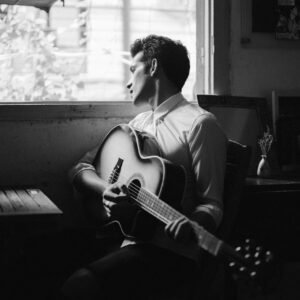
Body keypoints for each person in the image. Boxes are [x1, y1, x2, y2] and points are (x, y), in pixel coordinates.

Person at [61, 34, 228, 300]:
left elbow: (213, 203)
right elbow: (78, 169)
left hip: (172, 254)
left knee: (80, 285)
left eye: (133, 70)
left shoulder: (200, 124)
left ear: (152, 67)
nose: (128, 82)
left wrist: (191, 223)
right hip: (129, 239)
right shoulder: (137, 125)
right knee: (45, 253)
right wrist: (107, 189)